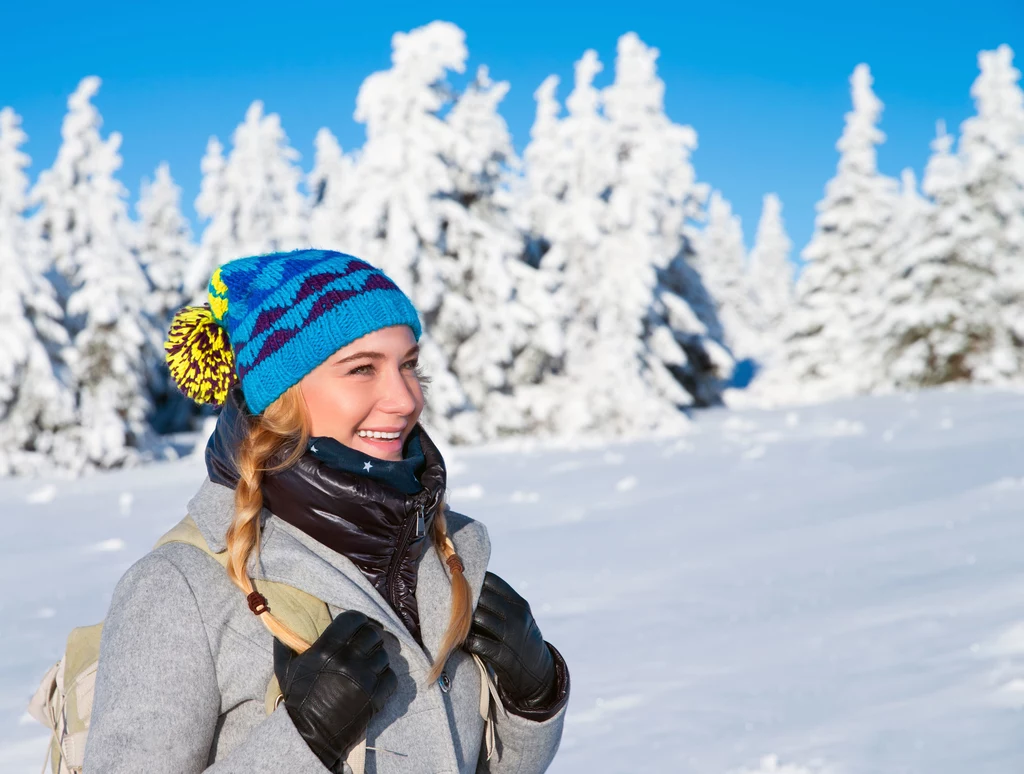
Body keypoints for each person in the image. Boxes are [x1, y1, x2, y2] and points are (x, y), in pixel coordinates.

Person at [83, 249, 569, 773]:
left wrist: (533, 705)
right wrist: (303, 743)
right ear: (281, 395)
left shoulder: (443, 556)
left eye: (408, 365)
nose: (405, 399)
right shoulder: (182, 588)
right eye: (362, 369)